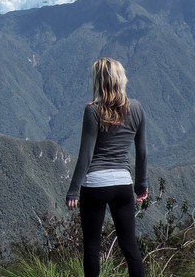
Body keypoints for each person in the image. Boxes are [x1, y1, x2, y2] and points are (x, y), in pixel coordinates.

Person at [66, 57, 148, 277]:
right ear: (121, 79)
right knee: (130, 248)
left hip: (95, 185)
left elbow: (86, 154)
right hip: (123, 183)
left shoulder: (93, 110)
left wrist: (73, 190)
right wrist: (142, 185)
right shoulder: (137, 108)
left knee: (92, 247)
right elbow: (141, 152)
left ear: (98, 80)